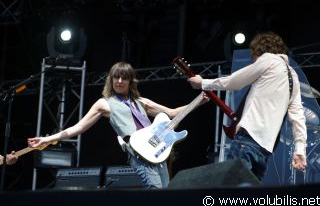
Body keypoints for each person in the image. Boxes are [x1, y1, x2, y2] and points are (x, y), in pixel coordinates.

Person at [28, 62, 208, 188]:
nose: (119, 81)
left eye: (124, 78)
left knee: (166, 195)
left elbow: (172, 113)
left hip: (159, 153)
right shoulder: (104, 103)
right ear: (111, 80)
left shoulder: (140, 101)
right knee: (156, 194)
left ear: (130, 81)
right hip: (139, 155)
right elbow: (78, 127)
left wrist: (199, 100)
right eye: (116, 77)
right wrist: (48, 138)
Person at [188, 31, 307, 181]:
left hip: (248, 140)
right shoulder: (293, 77)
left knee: (229, 190)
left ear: (259, 50)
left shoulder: (268, 60)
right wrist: (300, 149)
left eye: (253, 55)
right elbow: (298, 116)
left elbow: (234, 82)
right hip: (265, 149)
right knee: (248, 198)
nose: (253, 59)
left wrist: (202, 83)